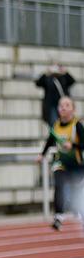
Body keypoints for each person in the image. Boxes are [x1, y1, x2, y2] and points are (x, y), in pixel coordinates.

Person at [38, 95, 84, 230]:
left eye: (67, 105)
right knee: (59, 184)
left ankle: (79, 212)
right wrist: (42, 155)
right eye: (61, 105)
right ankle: (58, 216)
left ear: (73, 109)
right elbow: (49, 141)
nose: (63, 108)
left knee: (77, 192)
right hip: (61, 162)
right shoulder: (56, 125)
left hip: (76, 164)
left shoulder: (77, 125)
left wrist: (73, 146)